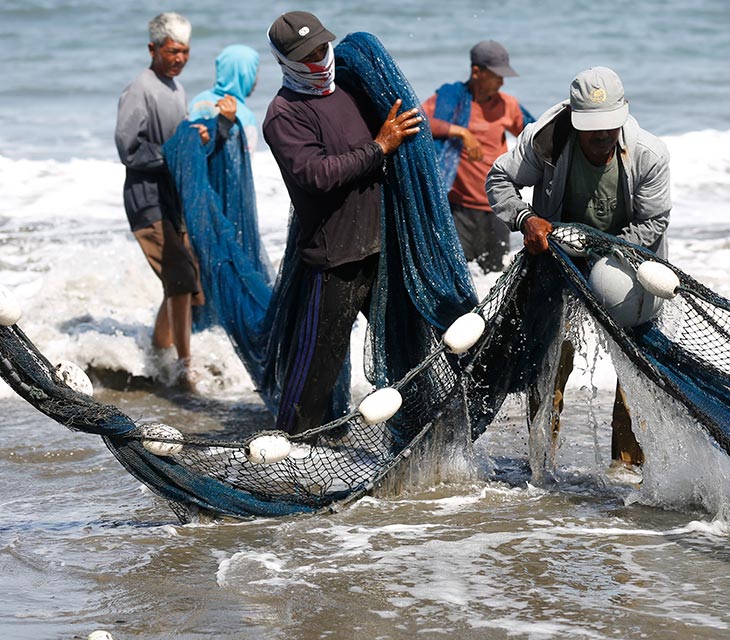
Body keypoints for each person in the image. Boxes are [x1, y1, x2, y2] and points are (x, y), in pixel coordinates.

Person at [486, 66, 671, 468]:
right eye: (593, 129)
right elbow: (499, 179)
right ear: (574, 119)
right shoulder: (545, 140)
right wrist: (525, 219)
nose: (603, 136)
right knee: (549, 360)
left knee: (635, 372)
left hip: (628, 264)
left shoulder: (649, 155)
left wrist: (599, 249)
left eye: (610, 127)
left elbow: (653, 223)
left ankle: (626, 469)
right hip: (559, 264)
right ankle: (540, 463)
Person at [262, 11, 422, 434]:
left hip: (380, 251)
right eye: (306, 54)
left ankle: (417, 436)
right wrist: (379, 147)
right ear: (285, 60)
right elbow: (317, 175)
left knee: (407, 351)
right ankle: (287, 452)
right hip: (335, 259)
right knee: (315, 368)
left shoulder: (347, 90)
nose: (318, 58)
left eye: (320, 47)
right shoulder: (284, 114)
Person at [115, 12, 235, 390]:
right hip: (146, 200)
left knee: (182, 279)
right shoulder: (140, 88)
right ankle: (185, 371)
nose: (180, 58)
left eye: (185, 51)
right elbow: (128, 149)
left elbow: (175, 143)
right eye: (172, 51)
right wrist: (177, 148)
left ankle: (158, 355)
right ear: (153, 48)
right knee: (181, 279)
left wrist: (203, 134)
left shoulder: (175, 89)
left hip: (172, 200)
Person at [422, 40, 530, 272]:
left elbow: (535, 135)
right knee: (456, 274)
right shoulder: (450, 99)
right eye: (496, 75)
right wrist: (460, 132)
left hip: (498, 208)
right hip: (458, 209)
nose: (502, 82)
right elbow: (419, 120)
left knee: (494, 278)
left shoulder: (507, 105)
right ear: (476, 72)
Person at [189, 44, 261, 151]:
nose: (257, 79)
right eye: (254, 72)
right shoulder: (246, 117)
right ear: (245, 74)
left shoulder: (196, 101)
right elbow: (245, 162)